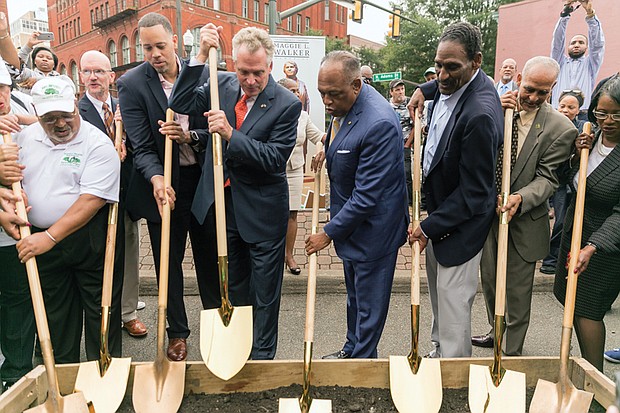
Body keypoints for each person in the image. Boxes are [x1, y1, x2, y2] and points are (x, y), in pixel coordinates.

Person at [169, 24, 301, 360]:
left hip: (263, 210)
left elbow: (273, 159)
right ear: (234, 64)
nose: (251, 80)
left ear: (269, 67)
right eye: (244, 71)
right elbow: (180, 102)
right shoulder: (221, 84)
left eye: (257, 72)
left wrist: (229, 133)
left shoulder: (286, 104)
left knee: (265, 293)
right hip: (225, 206)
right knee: (237, 286)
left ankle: (262, 357)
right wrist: (199, 56)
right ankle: (240, 350)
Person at [117, 12, 219, 362]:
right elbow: (142, 146)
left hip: (202, 181)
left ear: (174, 40)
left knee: (209, 257)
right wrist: (157, 178)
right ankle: (177, 333)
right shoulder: (132, 84)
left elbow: (215, 130)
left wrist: (191, 136)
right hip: (163, 185)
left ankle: (217, 325)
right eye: (147, 48)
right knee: (168, 262)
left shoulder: (205, 72)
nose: (155, 54)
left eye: (160, 45)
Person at [2, 76, 121, 364]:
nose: (60, 124)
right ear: (36, 112)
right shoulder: (22, 138)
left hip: (87, 237)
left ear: (76, 106)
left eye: (66, 116)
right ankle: (63, 377)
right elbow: (8, 176)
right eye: (50, 118)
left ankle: (102, 370)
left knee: (100, 308)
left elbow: (90, 201)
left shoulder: (98, 144)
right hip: (40, 239)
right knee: (57, 314)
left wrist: (50, 237)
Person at [407, 22, 503, 358]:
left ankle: (452, 372)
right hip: (443, 213)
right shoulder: (456, 85)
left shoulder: (479, 116)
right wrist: (425, 88)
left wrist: (428, 227)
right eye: (438, 66)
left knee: (452, 303)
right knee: (440, 299)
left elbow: (475, 193)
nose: (443, 76)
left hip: (461, 225)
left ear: (476, 61)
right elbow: (442, 84)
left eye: (452, 68)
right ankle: (440, 350)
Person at [305, 50, 408, 359]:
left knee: (369, 305)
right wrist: (329, 147)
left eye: (333, 94)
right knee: (356, 298)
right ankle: (352, 349)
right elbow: (344, 129)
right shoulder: (347, 102)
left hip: (373, 230)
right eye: (322, 93)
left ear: (357, 85)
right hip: (355, 227)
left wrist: (328, 233)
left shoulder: (379, 124)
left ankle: (361, 366)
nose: (326, 102)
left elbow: (366, 195)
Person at [471, 57, 577, 355]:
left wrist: (521, 198)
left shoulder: (560, 128)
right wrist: (494, 112)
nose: (532, 97)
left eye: (542, 93)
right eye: (529, 89)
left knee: (517, 290)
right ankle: (497, 331)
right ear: (519, 78)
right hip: (488, 215)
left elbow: (548, 178)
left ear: (552, 89)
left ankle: (510, 352)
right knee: (491, 281)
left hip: (524, 220)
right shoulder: (496, 108)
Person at [78, 50, 147, 338]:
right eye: (87, 72)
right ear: (81, 76)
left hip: (126, 195)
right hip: (92, 200)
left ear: (111, 76)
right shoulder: (74, 112)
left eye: (99, 71)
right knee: (97, 258)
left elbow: (143, 145)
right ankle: (101, 311)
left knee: (129, 254)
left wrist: (127, 137)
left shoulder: (124, 107)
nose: (93, 77)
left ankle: (127, 313)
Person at [553, 75, 620, 372]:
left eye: (617, 114)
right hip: (576, 233)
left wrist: (593, 245)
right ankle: (586, 374)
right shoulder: (589, 137)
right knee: (572, 304)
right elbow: (573, 181)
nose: (608, 121)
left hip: (606, 246)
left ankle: (597, 383)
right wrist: (575, 155)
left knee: (587, 310)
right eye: (601, 112)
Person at [0, 61, 37, 390]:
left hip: (17, 231)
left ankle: (17, 373)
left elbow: (59, 122)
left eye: (3, 89)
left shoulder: (22, 106)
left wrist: (27, 119)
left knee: (17, 300)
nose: (0, 98)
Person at [277, 77, 324, 275]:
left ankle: (288, 255)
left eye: (298, 91)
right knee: (272, 214)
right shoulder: (271, 112)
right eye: (293, 90)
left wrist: (324, 146)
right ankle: (273, 256)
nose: (298, 94)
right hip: (274, 168)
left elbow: (320, 136)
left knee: (291, 213)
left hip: (295, 169)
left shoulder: (303, 116)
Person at [540, 89, 586, 275]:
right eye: (563, 106)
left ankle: (561, 259)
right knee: (559, 222)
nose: (566, 109)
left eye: (571, 107)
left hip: (572, 182)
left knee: (569, 222)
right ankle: (550, 260)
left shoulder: (582, 127)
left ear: (578, 110)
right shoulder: (551, 125)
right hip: (556, 181)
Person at [551, 0, 604, 117]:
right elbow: (557, 42)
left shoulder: (590, 64)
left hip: (582, 115)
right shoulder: (559, 63)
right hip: (557, 113)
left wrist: (590, 14)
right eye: (573, 42)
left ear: (586, 47)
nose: (576, 45)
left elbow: (597, 45)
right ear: (568, 47)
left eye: (581, 42)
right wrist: (565, 13)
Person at [389, 78, 413, 205]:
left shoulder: (410, 104)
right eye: (397, 90)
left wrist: (408, 143)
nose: (400, 92)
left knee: (406, 172)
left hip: (405, 143)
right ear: (391, 92)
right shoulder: (386, 106)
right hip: (390, 145)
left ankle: (409, 201)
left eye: (402, 89)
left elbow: (416, 125)